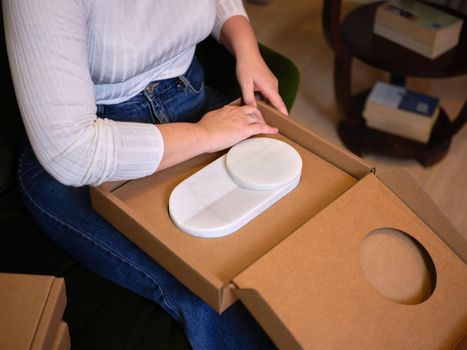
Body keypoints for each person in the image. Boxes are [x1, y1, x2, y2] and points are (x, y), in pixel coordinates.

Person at [3, 0, 288, 349]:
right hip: (93, 153)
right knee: (206, 287)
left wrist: (246, 46)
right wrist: (204, 136)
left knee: (285, 236)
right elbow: (70, 152)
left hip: (189, 99)